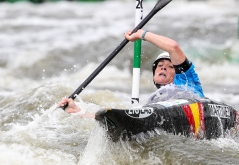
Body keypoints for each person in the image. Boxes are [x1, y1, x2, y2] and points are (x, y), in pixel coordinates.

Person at [57, 29, 205, 118]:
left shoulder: (187, 81)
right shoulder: (154, 103)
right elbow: (122, 120)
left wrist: (141, 34)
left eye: (169, 66)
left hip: (196, 109)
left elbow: (173, 47)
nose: (163, 68)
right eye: (160, 65)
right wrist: (77, 111)